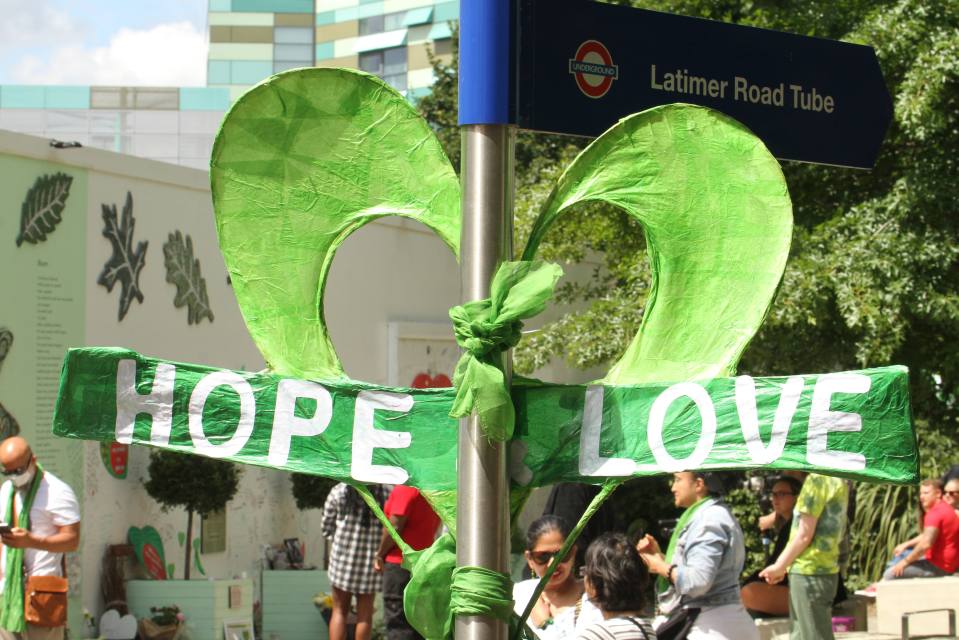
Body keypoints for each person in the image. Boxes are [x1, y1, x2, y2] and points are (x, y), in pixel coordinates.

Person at [637, 472, 758, 640]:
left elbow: (698, 581)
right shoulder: (711, 515)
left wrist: (660, 566)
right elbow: (697, 569)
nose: (673, 487)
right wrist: (660, 558)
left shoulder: (708, 521)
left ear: (699, 484)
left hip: (711, 627)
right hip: (719, 622)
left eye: (678, 480)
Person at [0, 437, 80, 640]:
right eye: (7, 472)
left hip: (42, 595)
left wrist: (32, 541)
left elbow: (72, 540)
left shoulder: (57, 491)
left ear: (33, 460)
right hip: (7, 593)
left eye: (18, 471)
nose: (13, 477)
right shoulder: (6, 491)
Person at [759, 473, 847, 640]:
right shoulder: (837, 479)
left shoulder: (817, 480)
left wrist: (779, 566)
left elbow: (804, 534)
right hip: (823, 570)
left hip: (809, 571)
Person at [514, 515, 601, 639]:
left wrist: (545, 625)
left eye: (562, 554)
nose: (553, 563)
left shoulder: (594, 597)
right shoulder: (519, 596)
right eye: (543, 556)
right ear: (529, 559)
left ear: (574, 552)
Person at [321, 483, 390, 640]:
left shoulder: (339, 491)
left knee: (339, 611)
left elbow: (326, 527)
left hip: (342, 561)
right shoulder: (386, 492)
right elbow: (390, 527)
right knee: (365, 616)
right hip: (371, 563)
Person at [373, 485, 440, 640]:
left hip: (400, 565)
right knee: (419, 625)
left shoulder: (406, 487)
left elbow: (394, 526)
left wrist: (379, 554)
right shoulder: (429, 488)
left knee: (398, 624)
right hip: (423, 564)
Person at [577, 532, 657, 640]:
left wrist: (545, 622)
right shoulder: (646, 629)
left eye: (585, 571)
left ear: (593, 586)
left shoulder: (596, 635)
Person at [741, 476, 802, 616]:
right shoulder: (787, 526)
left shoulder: (797, 526)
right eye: (773, 494)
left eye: (781, 494)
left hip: (800, 588)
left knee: (748, 593)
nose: (775, 498)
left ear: (796, 497)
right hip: (790, 587)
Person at [882, 478, 958, 579]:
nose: (922, 497)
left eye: (926, 493)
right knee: (902, 555)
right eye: (921, 493)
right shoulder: (945, 508)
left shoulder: (935, 513)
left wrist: (905, 562)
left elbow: (926, 544)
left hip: (939, 567)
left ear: (938, 493)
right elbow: (929, 535)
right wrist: (906, 544)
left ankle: (877, 587)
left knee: (890, 574)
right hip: (945, 563)